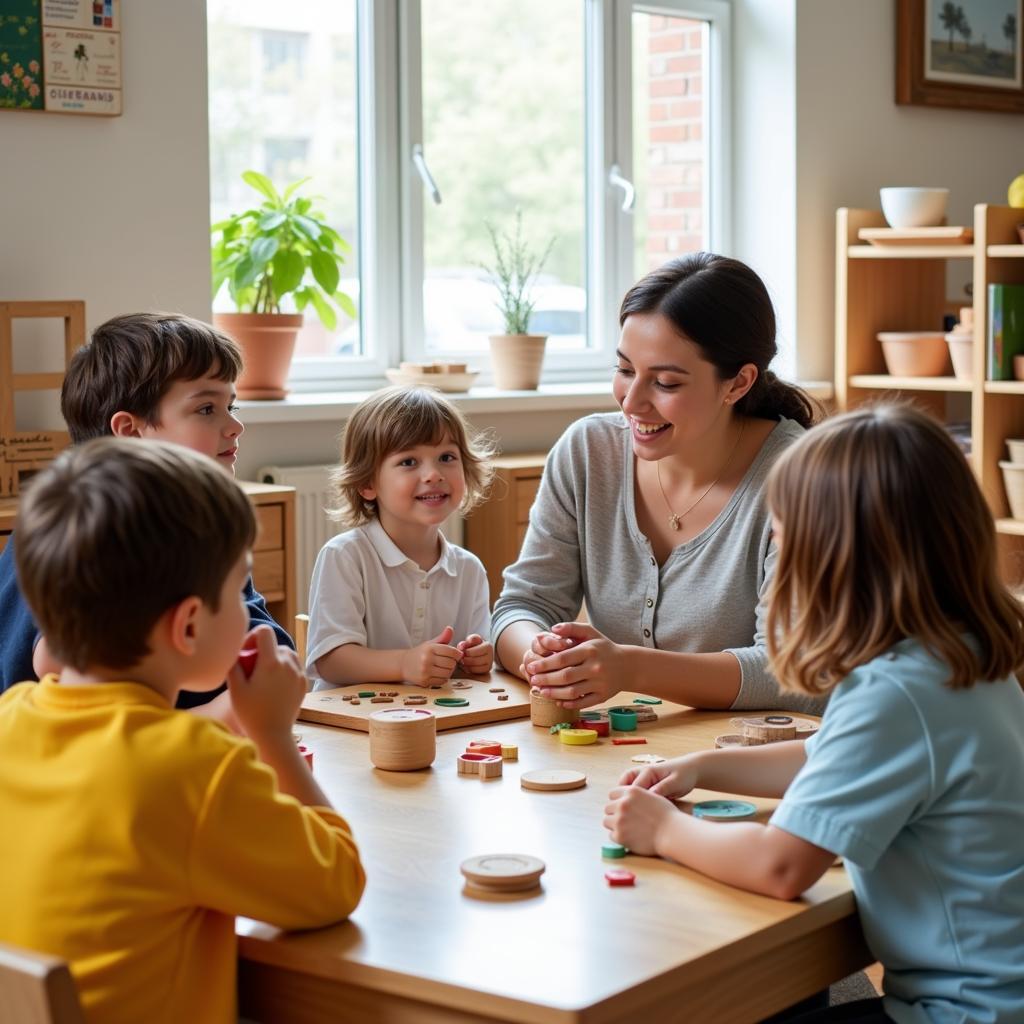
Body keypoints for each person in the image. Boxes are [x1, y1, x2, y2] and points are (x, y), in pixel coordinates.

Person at [604, 405, 1024, 1023]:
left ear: (834, 556)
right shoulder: (958, 654)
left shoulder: (897, 694)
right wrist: (700, 767)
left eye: (780, 533)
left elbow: (780, 867)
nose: (775, 547)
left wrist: (663, 830)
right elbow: (830, 756)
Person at [0, 439, 366, 1023]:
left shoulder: (11, 719)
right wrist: (271, 736)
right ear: (190, 625)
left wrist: (232, 720)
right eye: (240, 591)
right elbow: (336, 883)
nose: (251, 610)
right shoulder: (193, 766)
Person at [493, 252, 822, 712]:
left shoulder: (804, 478)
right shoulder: (588, 452)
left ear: (738, 383)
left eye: (665, 383)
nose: (632, 401)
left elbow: (790, 671)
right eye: (626, 370)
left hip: (757, 765)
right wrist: (543, 656)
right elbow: (522, 606)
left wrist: (631, 668)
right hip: (632, 757)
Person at [0, 312, 294, 715]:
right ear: (130, 429)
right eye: (207, 408)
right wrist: (232, 715)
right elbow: (61, 665)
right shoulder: (93, 524)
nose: (234, 426)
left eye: (232, 405)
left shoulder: (190, 521)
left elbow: (266, 645)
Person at [307, 385, 495, 687]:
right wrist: (405, 664)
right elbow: (331, 661)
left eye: (447, 456)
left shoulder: (469, 569)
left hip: (435, 720)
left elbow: (473, 661)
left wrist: (478, 658)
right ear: (367, 483)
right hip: (352, 722)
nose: (433, 474)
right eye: (409, 462)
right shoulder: (345, 556)